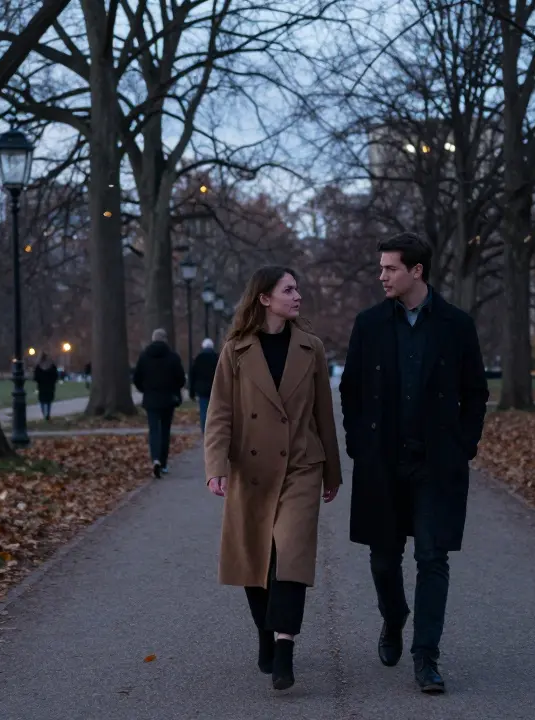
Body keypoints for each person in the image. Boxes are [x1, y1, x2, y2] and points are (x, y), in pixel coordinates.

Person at [339, 232, 490, 694]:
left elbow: (476, 392)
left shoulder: (455, 325)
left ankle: (426, 656)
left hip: (436, 463)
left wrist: (463, 443)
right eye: (382, 267)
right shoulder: (368, 324)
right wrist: (359, 445)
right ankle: (394, 618)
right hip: (382, 462)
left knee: (432, 557)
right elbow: (351, 391)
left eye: (390, 268)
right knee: (384, 560)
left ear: (416, 271)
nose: (381, 275)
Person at [204, 266, 343, 691]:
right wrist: (216, 467)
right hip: (252, 469)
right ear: (265, 298)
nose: (298, 296)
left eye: (297, 288)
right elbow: (220, 413)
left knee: (292, 555)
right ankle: (266, 633)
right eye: (289, 289)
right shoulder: (236, 351)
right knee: (254, 560)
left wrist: (332, 471)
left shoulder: (311, 348)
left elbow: (323, 413)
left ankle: (285, 647)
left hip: (302, 464)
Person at [133, 328, 186, 478]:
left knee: (154, 430)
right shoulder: (173, 357)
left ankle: (155, 458)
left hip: (151, 398)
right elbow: (181, 379)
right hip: (168, 398)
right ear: (165, 339)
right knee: (165, 431)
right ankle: (163, 463)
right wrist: (174, 388)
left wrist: (145, 389)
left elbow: (137, 378)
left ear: (153, 339)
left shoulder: (144, 356)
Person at [189, 338, 220, 434]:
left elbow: (192, 376)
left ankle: (205, 430)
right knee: (215, 411)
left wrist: (192, 392)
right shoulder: (217, 358)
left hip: (201, 389)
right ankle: (215, 430)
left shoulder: (198, 358)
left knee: (203, 411)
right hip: (215, 389)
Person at [33, 354, 60, 421]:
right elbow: (55, 376)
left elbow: (36, 377)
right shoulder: (52, 366)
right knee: (49, 401)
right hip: (50, 386)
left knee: (42, 400)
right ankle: (47, 414)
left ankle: (44, 413)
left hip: (42, 386)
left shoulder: (38, 367)